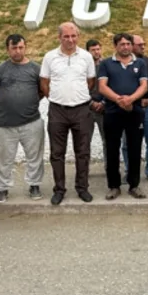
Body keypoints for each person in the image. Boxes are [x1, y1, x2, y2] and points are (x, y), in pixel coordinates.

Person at [40, 22, 97, 205]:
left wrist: (76, 97)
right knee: (57, 153)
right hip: (57, 110)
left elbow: (90, 81)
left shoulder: (86, 57)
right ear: (59, 37)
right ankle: (59, 189)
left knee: (83, 152)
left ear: (78, 37)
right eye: (66, 36)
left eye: (73, 36)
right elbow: (44, 83)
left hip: (82, 109)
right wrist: (57, 97)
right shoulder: (50, 57)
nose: (70, 40)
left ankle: (82, 188)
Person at [0, 34, 46, 203]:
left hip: (32, 122)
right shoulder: (0, 69)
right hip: (5, 124)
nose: (17, 51)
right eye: (14, 48)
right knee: (3, 159)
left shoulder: (36, 69)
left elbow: (42, 91)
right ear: (8, 49)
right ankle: (2, 188)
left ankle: (34, 184)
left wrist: (29, 102)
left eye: (20, 47)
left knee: (35, 156)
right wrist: (8, 104)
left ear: (25, 47)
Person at [96, 32, 148, 200]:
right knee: (112, 149)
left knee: (135, 148)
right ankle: (114, 186)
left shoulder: (140, 63)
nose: (125, 47)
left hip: (134, 112)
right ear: (115, 46)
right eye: (122, 44)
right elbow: (102, 87)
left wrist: (131, 99)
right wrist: (119, 100)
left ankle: (134, 185)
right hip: (112, 112)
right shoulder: (106, 64)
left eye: (128, 44)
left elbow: (144, 86)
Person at [123, 33, 148, 185]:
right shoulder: (124, 63)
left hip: (147, 107)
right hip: (129, 108)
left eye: (144, 44)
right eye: (140, 45)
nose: (143, 46)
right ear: (131, 46)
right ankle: (129, 171)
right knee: (127, 143)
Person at [86, 38, 107, 150]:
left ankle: (109, 167)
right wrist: (91, 103)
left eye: (98, 49)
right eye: (93, 50)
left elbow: (112, 85)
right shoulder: (83, 67)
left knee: (107, 140)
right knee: (84, 141)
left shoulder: (107, 65)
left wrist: (103, 102)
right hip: (87, 108)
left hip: (104, 108)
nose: (96, 52)